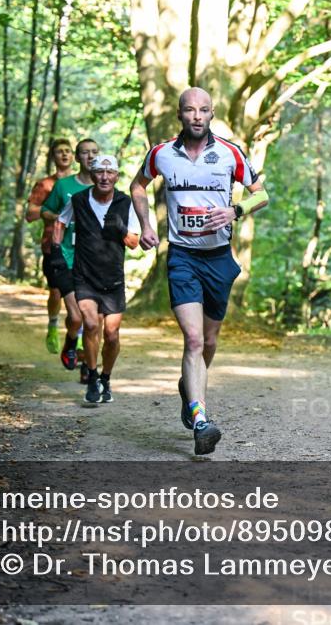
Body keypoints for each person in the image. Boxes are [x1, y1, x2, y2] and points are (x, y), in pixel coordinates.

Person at [129, 87, 269, 455]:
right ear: (180, 115)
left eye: (203, 110)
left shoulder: (230, 153)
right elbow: (138, 186)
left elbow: (261, 193)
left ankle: (188, 389)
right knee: (192, 340)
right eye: (189, 110)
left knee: (208, 342)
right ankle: (201, 419)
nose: (196, 116)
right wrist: (146, 225)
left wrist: (235, 211)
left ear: (212, 114)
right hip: (182, 257)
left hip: (219, 258)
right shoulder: (161, 154)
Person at [54, 154, 140, 406]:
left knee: (112, 335)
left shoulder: (126, 202)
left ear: (116, 176)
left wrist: (122, 229)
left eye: (109, 172)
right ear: (92, 176)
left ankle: (106, 378)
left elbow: (134, 243)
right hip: (85, 277)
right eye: (99, 173)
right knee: (91, 325)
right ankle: (92, 377)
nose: (104, 177)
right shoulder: (79, 200)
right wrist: (57, 252)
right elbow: (60, 222)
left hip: (113, 279)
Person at [42, 138, 100, 381]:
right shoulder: (63, 185)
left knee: (94, 320)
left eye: (94, 153)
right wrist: (62, 218)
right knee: (76, 317)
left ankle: (88, 365)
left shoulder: (105, 186)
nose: (89, 157)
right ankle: (69, 342)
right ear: (77, 158)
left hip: (95, 261)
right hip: (67, 257)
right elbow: (44, 211)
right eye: (84, 153)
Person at [25, 137, 74, 354]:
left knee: (81, 294)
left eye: (68, 151)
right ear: (53, 157)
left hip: (79, 247)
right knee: (56, 293)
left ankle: (78, 336)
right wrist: (54, 214)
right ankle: (53, 325)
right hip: (53, 245)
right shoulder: (45, 184)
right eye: (59, 151)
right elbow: (30, 213)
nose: (64, 155)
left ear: (73, 156)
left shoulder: (82, 182)